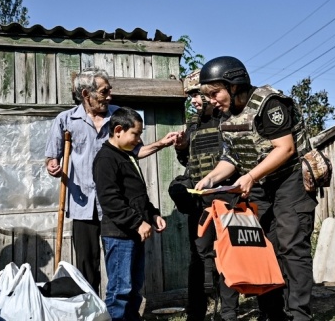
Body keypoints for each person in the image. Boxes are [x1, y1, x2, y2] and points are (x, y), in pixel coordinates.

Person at [195, 56, 317, 321]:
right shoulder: (224, 115)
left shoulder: (269, 104)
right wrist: (211, 179)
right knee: (260, 248)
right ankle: (273, 313)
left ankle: (299, 315)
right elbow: (232, 158)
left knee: (291, 246)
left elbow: (285, 149)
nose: (212, 100)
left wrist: (250, 176)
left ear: (234, 85)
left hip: (290, 180)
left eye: (215, 93)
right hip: (260, 184)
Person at [45, 67, 178, 294]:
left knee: (120, 265)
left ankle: (117, 310)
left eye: (109, 91)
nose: (109, 96)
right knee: (87, 265)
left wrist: (161, 144)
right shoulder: (66, 120)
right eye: (104, 92)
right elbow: (51, 158)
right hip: (83, 205)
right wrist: (52, 166)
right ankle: (91, 310)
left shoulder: (118, 116)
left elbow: (136, 150)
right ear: (87, 94)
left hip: (116, 206)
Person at [171, 69, 241, 321]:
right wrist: (181, 148)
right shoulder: (192, 126)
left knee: (228, 254)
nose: (194, 100)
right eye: (190, 95)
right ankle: (196, 313)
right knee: (198, 257)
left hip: (226, 199)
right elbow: (189, 162)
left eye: (197, 94)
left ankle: (229, 313)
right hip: (200, 202)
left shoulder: (228, 120)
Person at [92, 107, 167, 321]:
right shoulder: (106, 158)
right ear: (118, 130)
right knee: (120, 291)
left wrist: (152, 215)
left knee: (134, 288)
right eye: (136, 133)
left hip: (134, 233)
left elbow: (137, 195)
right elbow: (110, 201)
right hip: (119, 235)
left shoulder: (126, 156)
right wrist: (137, 222)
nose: (139, 139)